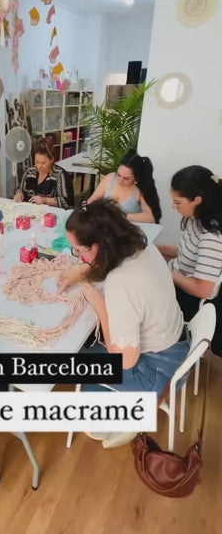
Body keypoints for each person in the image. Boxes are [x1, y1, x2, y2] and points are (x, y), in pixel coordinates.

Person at [58, 200, 188, 448]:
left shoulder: (121, 282)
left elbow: (123, 361)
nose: (78, 256)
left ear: (96, 247)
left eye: (78, 251)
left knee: (78, 360)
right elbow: (106, 266)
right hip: (178, 344)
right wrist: (83, 270)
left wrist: (100, 306)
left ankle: (129, 416)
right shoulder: (141, 248)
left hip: (159, 372)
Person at [157, 166, 222, 321]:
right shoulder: (197, 218)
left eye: (177, 202)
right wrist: (154, 248)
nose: (173, 206)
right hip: (174, 280)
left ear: (197, 200)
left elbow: (203, 290)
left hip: (187, 300)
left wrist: (165, 273)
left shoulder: (211, 238)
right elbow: (187, 252)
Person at [87, 149, 161, 223]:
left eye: (126, 178)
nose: (120, 180)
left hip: (128, 230)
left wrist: (122, 216)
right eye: (118, 175)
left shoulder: (140, 190)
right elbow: (93, 199)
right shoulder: (110, 178)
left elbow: (151, 217)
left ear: (136, 177)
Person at [13, 138, 73, 209]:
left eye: (43, 163)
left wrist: (45, 200)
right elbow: (20, 189)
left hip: (50, 214)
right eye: (37, 162)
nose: (39, 166)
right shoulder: (30, 172)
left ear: (52, 159)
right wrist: (19, 194)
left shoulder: (59, 175)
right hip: (29, 212)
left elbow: (66, 203)